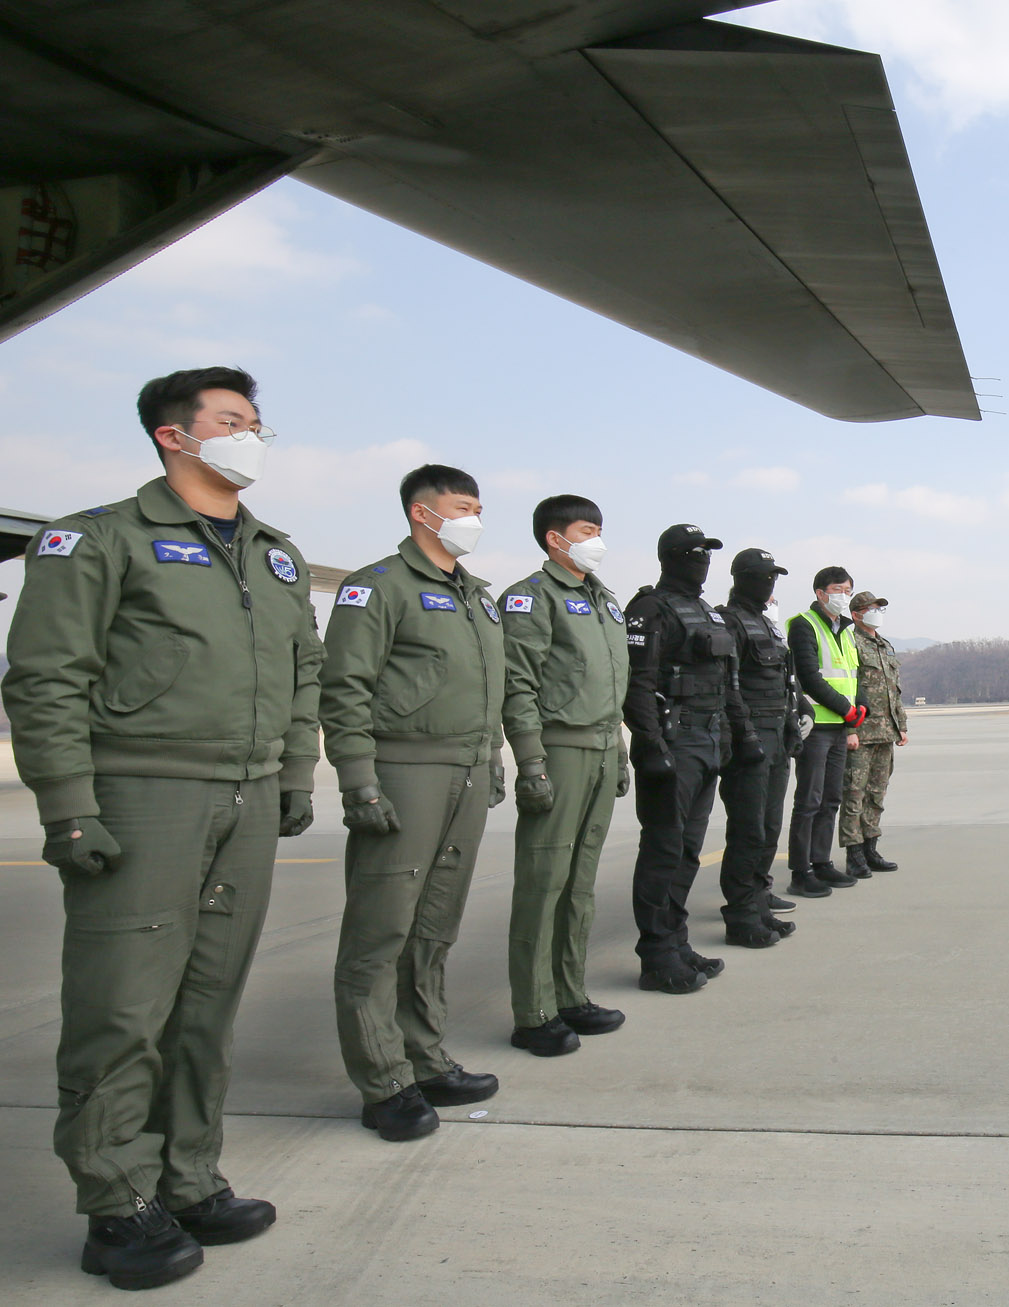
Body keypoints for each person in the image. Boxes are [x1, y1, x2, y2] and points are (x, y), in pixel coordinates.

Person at [2, 367, 319, 1288]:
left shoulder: (276, 553)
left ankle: (187, 1176)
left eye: (257, 422)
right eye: (231, 421)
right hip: (146, 792)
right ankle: (114, 1200)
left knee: (207, 1002)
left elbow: (304, 669)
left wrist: (295, 771)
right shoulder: (98, 538)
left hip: (248, 794)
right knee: (122, 1008)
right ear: (173, 436)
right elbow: (46, 678)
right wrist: (69, 805)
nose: (251, 436)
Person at [323, 464, 506, 1143]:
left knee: (434, 925)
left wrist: (492, 758)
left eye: (478, 508)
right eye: (462, 508)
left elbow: (488, 687)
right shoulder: (378, 586)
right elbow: (344, 687)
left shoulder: (477, 596)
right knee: (380, 931)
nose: (474, 520)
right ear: (422, 513)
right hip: (405, 769)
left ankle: (424, 1056)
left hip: (466, 770)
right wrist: (358, 779)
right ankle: (382, 1081)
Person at [497, 495, 630, 1057]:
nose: (597, 540)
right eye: (586, 530)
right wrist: (531, 761)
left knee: (580, 882)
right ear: (555, 539)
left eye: (599, 529)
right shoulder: (531, 598)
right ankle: (534, 1011)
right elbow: (518, 685)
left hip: (601, 745)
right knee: (543, 880)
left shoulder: (604, 599)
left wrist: (619, 750)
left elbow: (610, 686)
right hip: (560, 748)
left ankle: (570, 994)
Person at [624, 524, 760, 991]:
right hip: (673, 742)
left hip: (709, 739)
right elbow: (637, 684)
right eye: (694, 552)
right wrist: (649, 744)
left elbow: (728, 684)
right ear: (671, 557)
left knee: (687, 851)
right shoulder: (649, 609)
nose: (702, 560)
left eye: (707, 553)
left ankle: (676, 942)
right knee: (663, 849)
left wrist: (737, 735)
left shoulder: (708, 614)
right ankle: (656, 955)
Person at [715, 547, 806, 946]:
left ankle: (758, 900)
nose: (769, 584)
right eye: (763, 576)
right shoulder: (730, 622)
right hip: (749, 737)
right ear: (742, 578)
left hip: (776, 736)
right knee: (747, 829)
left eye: (773, 577)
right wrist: (744, 735)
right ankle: (740, 913)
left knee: (769, 827)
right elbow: (726, 685)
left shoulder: (767, 624)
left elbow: (783, 681)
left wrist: (792, 720)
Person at [786, 567, 868, 894]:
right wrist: (845, 708)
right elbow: (809, 677)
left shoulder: (846, 630)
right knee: (809, 799)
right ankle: (800, 871)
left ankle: (821, 862)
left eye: (848, 590)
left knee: (831, 798)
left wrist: (860, 707)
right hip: (816, 725)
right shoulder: (804, 624)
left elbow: (854, 674)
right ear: (820, 593)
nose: (843, 596)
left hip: (840, 726)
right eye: (837, 590)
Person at [839, 591, 909, 879]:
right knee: (854, 794)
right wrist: (850, 729)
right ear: (856, 614)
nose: (877, 613)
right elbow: (847, 687)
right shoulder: (849, 642)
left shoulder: (884, 645)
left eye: (880, 608)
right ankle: (854, 854)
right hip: (861, 731)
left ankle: (871, 848)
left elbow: (894, 690)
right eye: (872, 608)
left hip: (885, 732)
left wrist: (901, 724)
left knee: (876, 794)